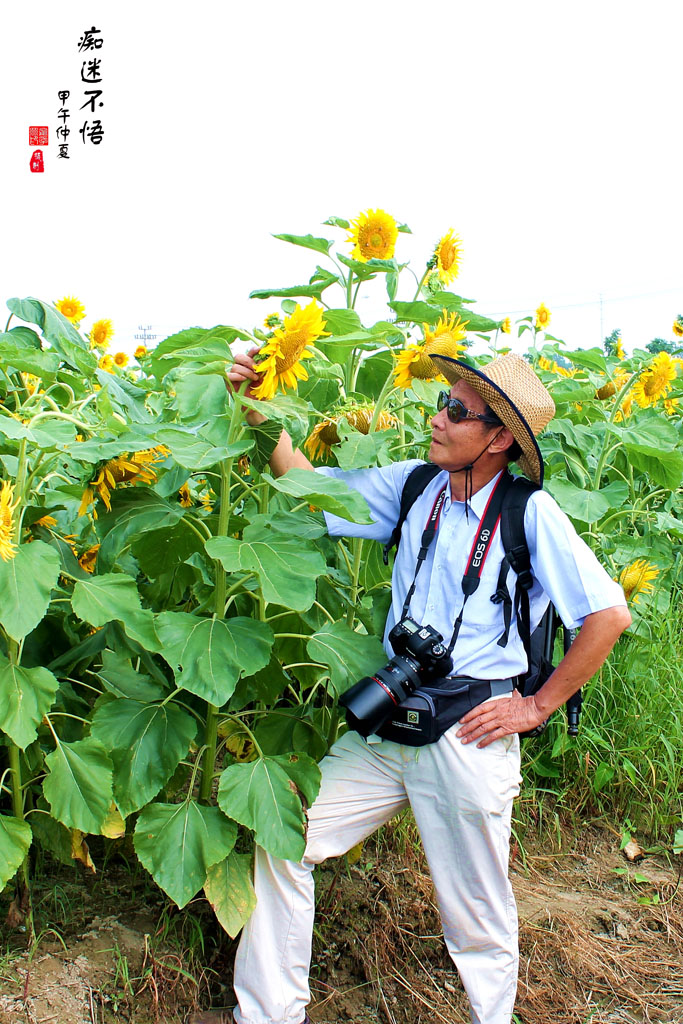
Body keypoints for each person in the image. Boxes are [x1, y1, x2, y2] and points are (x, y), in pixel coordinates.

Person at [193, 349, 631, 1024]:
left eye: (457, 412)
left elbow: (606, 614)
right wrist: (257, 403)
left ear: (498, 438)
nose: (436, 418)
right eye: (441, 403)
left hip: (469, 729)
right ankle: (269, 1014)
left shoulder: (528, 513)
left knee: (476, 914)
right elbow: (309, 485)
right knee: (285, 834)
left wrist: (536, 706)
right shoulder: (414, 486)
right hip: (390, 716)